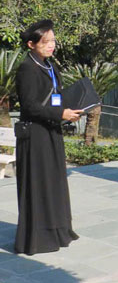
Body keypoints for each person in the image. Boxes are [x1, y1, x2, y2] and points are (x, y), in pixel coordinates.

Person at [14, 20, 83, 255]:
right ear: (31, 44)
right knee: (38, 183)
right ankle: (38, 237)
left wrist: (71, 108)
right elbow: (30, 106)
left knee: (54, 182)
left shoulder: (49, 66)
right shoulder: (27, 68)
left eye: (53, 41)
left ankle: (58, 229)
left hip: (52, 129)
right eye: (46, 42)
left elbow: (55, 95)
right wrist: (59, 112)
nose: (51, 45)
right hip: (35, 134)